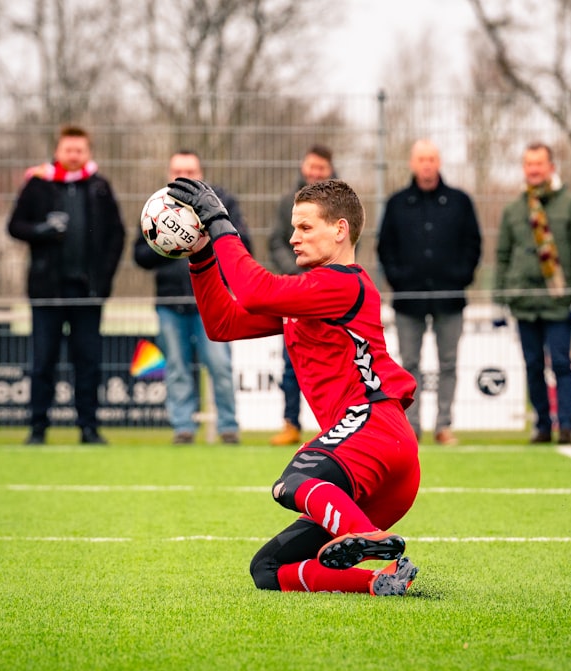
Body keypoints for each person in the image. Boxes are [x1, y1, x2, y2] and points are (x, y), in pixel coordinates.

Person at [166, 176, 419, 596]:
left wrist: (218, 222)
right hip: (382, 464)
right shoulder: (313, 293)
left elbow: (253, 291)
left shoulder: (343, 282)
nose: (293, 238)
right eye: (293, 227)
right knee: (267, 569)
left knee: (294, 480)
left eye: (305, 227)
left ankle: (365, 536)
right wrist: (201, 255)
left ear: (339, 230)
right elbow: (223, 323)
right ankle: (382, 581)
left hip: (372, 428)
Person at [7, 125, 126, 446]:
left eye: (79, 150)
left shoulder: (99, 187)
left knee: (88, 362)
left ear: (88, 152)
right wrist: (41, 230)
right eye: (68, 150)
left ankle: (89, 428)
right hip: (47, 291)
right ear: (58, 151)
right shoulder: (38, 184)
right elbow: (14, 226)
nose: (74, 155)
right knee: (43, 361)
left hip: (88, 293)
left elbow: (117, 235)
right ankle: (38, 428)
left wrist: (104, 279)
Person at [133, 150, 253, 445]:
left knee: (220, 365)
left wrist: (208, 239)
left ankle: (228, 428)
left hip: (213, 302)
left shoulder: (220, 203)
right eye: (178, 171)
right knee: (176, 368)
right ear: (168, 174)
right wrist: (171, 243)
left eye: (190, 171)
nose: (183, 176)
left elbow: (244, 245)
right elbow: (140, 255)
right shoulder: (157, 206)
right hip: (170, 303)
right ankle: (183, 428)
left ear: (201, 174)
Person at [377, 139, 482, 445]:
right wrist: (398, 279)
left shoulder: (460, 201)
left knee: (448, 363)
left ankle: (443, 425)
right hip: (407, 299)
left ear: (439, 162)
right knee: (409, 365)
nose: (426, 164)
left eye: (432, 159)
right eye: (421, 159)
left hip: (450, 298)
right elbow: (385, 247)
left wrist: (461, 276)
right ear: (412, 163)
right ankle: (411, 426)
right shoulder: (396, 203)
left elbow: (473, 244)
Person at [494, 142, 571, 445]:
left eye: (539, 163)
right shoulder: (513, 209)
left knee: (561, 363)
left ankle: (566, 425)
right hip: (524, 301)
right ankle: (542, 425)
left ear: (551, 167)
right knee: (533, 365)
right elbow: (502, 256)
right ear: (524, 168)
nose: (534, 169)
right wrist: (499, 299)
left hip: (559, 301)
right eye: (529, 164)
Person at [266, 145, 336, 446]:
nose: (315, 172)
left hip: (330, 293)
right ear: (303, 167)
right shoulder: (288, 202)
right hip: (296, 293)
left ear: (329, 170)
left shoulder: (342, 203)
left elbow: (348, 243)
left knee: (333, 362)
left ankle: (335, 424)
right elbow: (277, 243)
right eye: (311, 166)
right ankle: (291, 423)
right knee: (291, 362)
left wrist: (327, 271)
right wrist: (296, 271)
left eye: (321, 168)